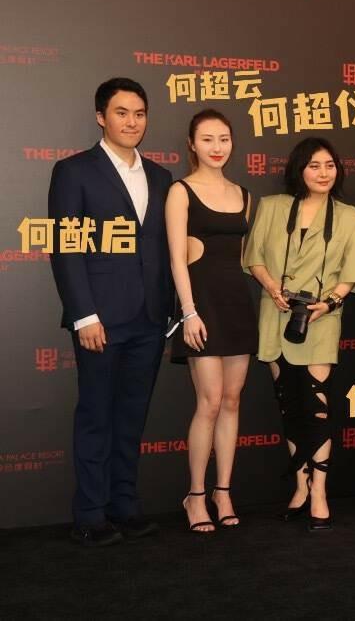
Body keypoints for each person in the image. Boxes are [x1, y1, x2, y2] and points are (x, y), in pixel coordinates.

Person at [47, 78, 172, 546]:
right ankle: (89, 514)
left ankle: (125, 506)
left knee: (132, 418)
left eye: (139, 113)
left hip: (149, 318)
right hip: (99, 318)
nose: (132, 122)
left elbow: (161, 248)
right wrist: (84, 315)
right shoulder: (73, 171)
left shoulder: (160, 176)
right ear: (101, 117)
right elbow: (65, 248)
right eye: (121, 112)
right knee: (96, 416)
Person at [243, 137, 355, 531]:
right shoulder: (272, 206)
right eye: (314, 165)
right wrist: (272, 288)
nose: (323, 173)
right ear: (299, 169)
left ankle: (320, 492)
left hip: (322, 319)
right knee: (290, 405)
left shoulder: (350, 217)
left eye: (329, 165)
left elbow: (351, 274)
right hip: (276, 315)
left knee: (317, 407)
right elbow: (254, 257)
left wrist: (329, 303)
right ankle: (300, 485)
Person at [167, 109, 258, 532]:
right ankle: (196, 495)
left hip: (237, 303)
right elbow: (176, 259)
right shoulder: (180, 191)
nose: (217, 147)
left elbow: (246, 258)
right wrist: (188, 311)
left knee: (232, 401)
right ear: (192, 144)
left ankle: (224, 491)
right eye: (207, 139)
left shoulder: (244, 195)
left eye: (223, 139)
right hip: (200, 306)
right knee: (209, 401)